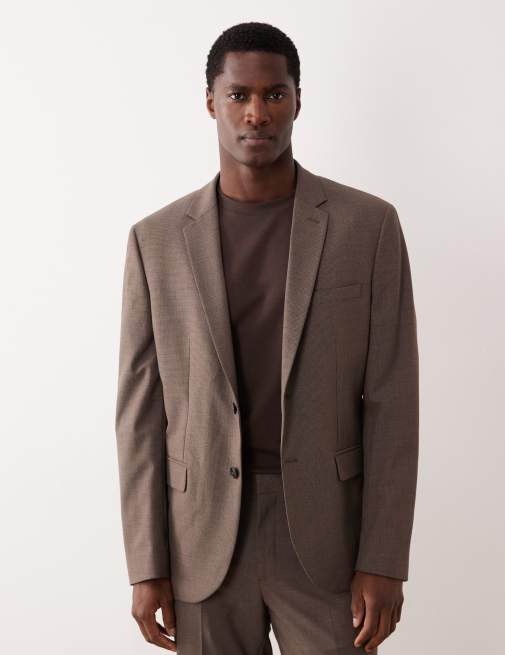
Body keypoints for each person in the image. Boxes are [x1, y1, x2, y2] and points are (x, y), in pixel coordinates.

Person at [115, 21, 419, 655]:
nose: (257, 113)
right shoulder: (156, 240)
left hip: (327, 537)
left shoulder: (367, 227)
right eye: (239, 95)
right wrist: (146, 564)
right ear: (211, 102)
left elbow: (393, 401)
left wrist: (384, 557)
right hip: (201, 539)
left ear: (297, 101)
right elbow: (141, 415)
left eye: (275, 94)